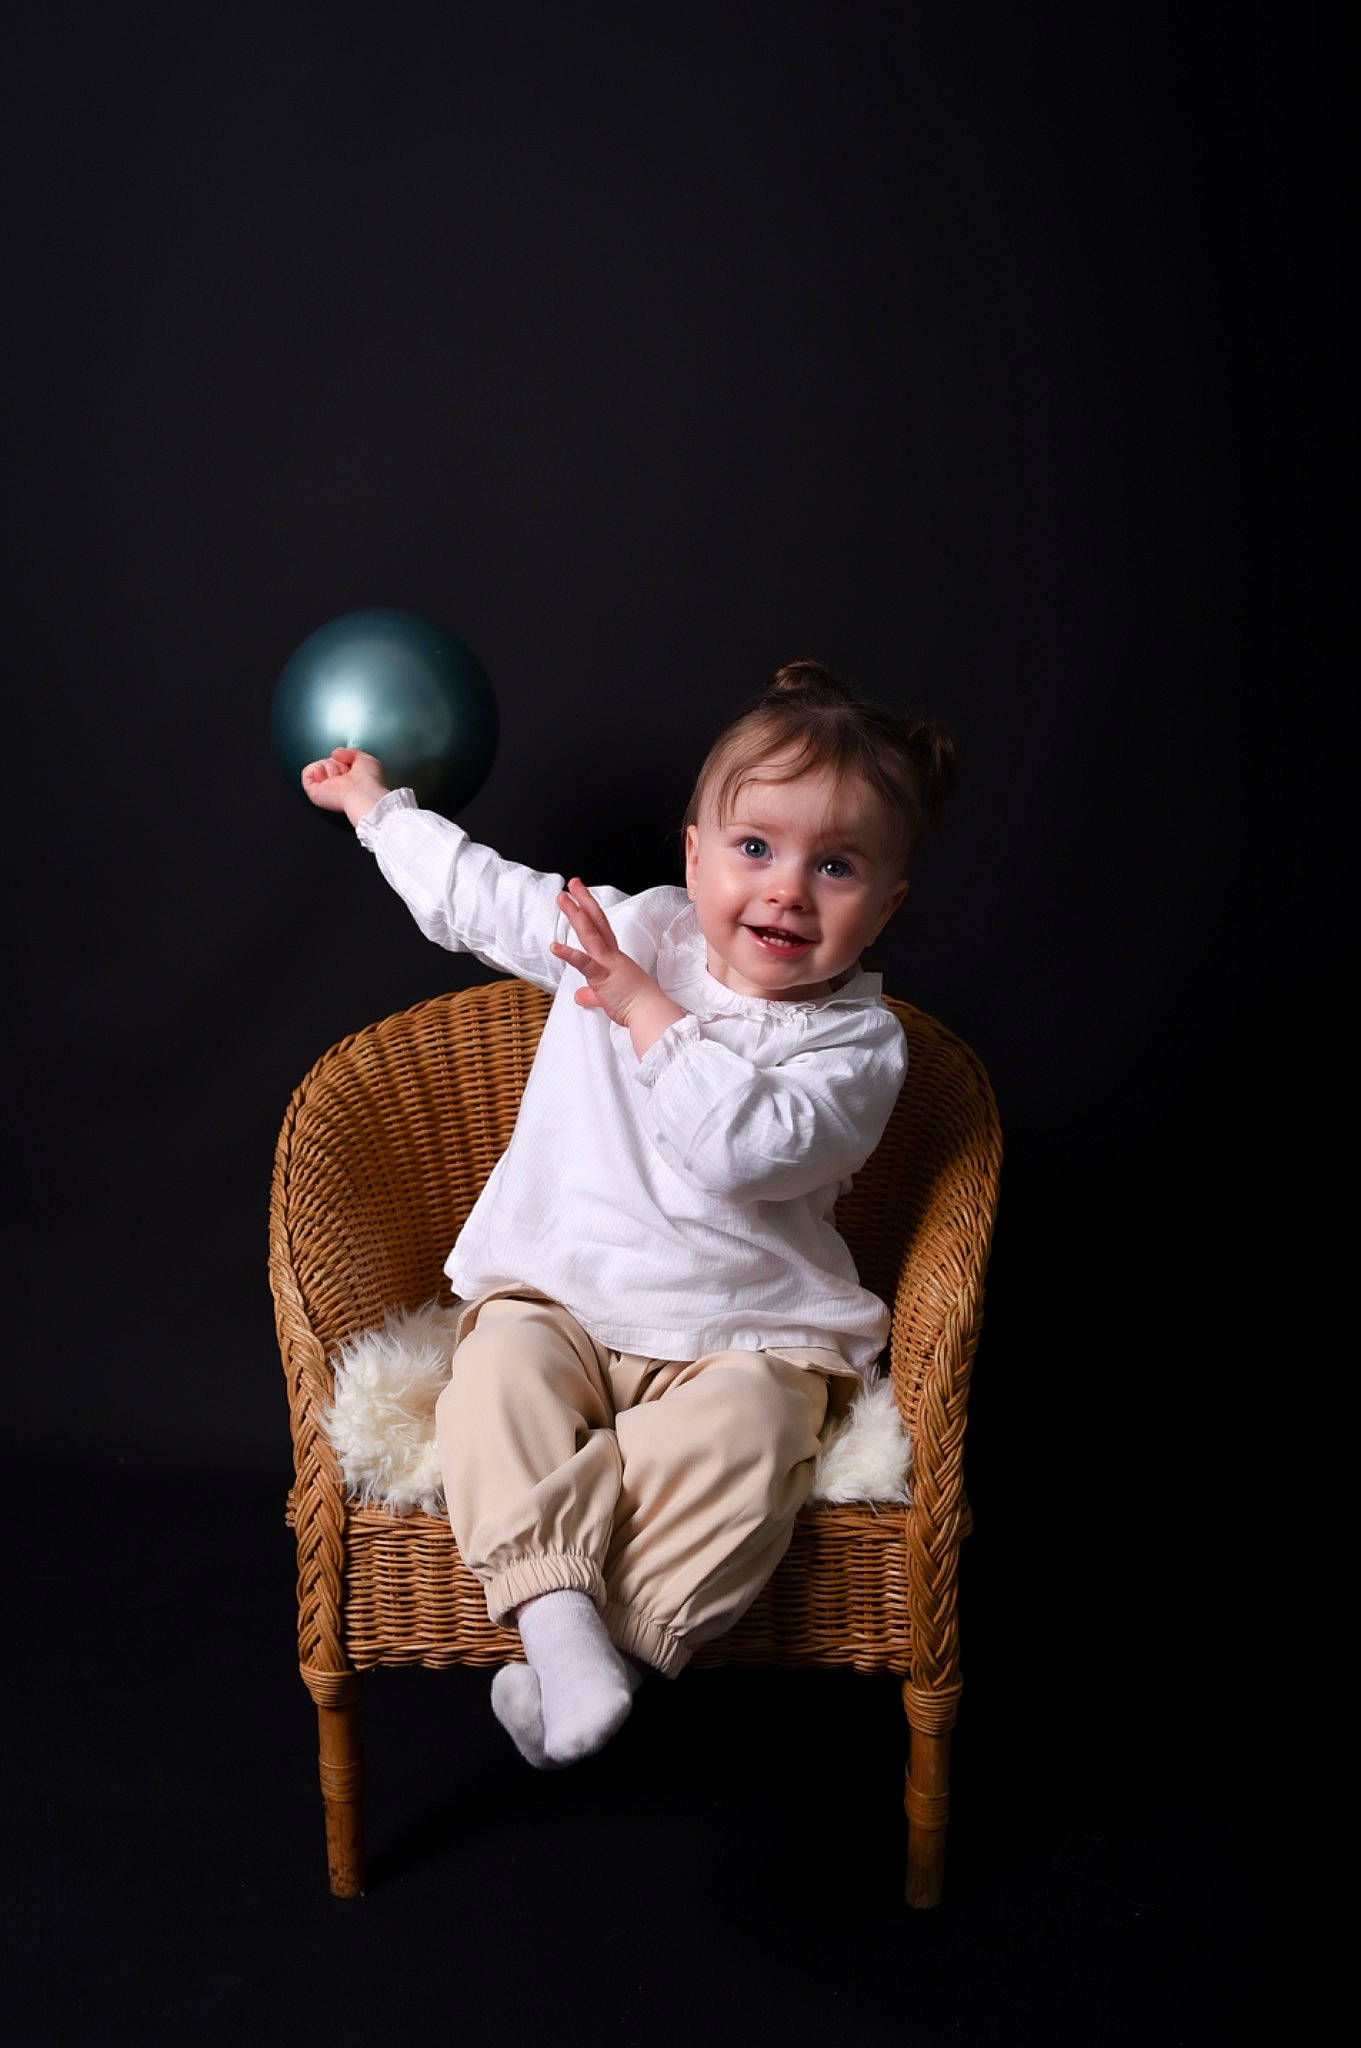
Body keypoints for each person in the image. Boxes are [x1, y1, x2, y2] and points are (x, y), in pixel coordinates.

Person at [301, 659, 956, 1770]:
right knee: (491, 1383)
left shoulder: (855, 1047)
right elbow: (479, 894)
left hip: (742, 1332)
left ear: (882, 905)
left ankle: (606, 1649)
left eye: (833, 865)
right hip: (561, 1292)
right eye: (753, 847)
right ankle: (557, 1620)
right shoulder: (631, 930)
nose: (786, 888)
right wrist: (377, 809)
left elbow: (743, 1148)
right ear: (692, 856)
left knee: (751, 1442)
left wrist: (642, 1006)